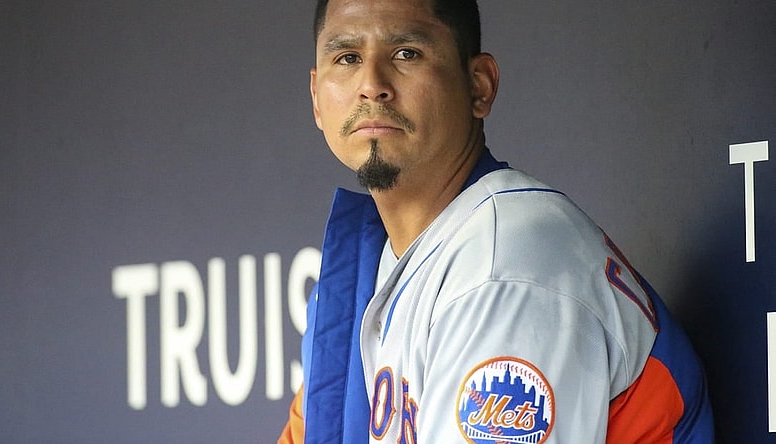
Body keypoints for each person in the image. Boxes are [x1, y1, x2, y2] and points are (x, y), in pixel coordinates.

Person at [279, 0, 714, 442]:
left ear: (479, 87)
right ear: (316, 98)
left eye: (406, 53)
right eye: (347, 58)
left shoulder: (505, 266)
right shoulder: (370, 274)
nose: (371, 85)